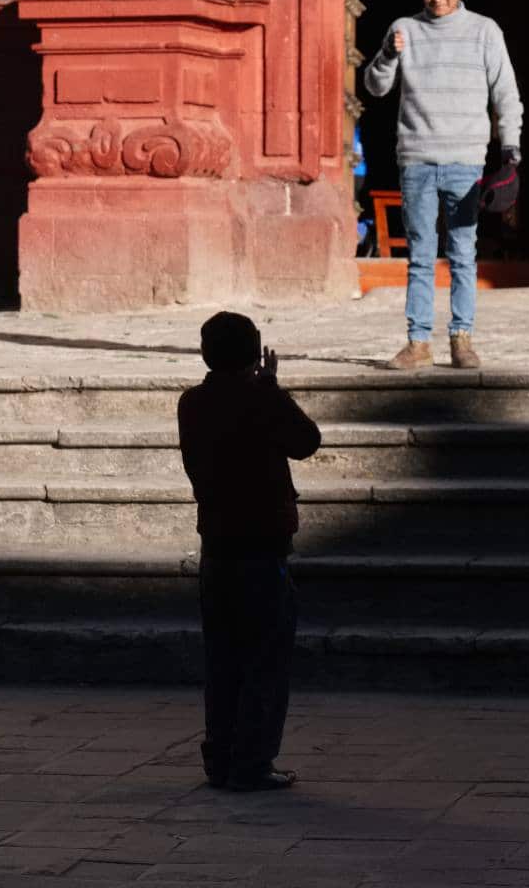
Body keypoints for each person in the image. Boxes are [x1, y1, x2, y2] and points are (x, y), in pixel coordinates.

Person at [177, 311, 322, 792]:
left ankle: (220, 756)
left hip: (216, 547)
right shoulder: (260, 399)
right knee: (264, 658)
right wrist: (273, 389)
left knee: (222, 660)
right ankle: (253, 760)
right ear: (256, 352)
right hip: (262, 547)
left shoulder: (191, 404)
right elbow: (306, 441)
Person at [363, 0, 523, 370]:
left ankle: (461, 338)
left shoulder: (485, 31)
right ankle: (417, 342)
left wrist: (510, 149)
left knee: (463, 252)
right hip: (416, 159)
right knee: (420, 253)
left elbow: (505, 92)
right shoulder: (404, 29)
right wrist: (387, 55)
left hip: (466, 162)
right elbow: (376, 87)